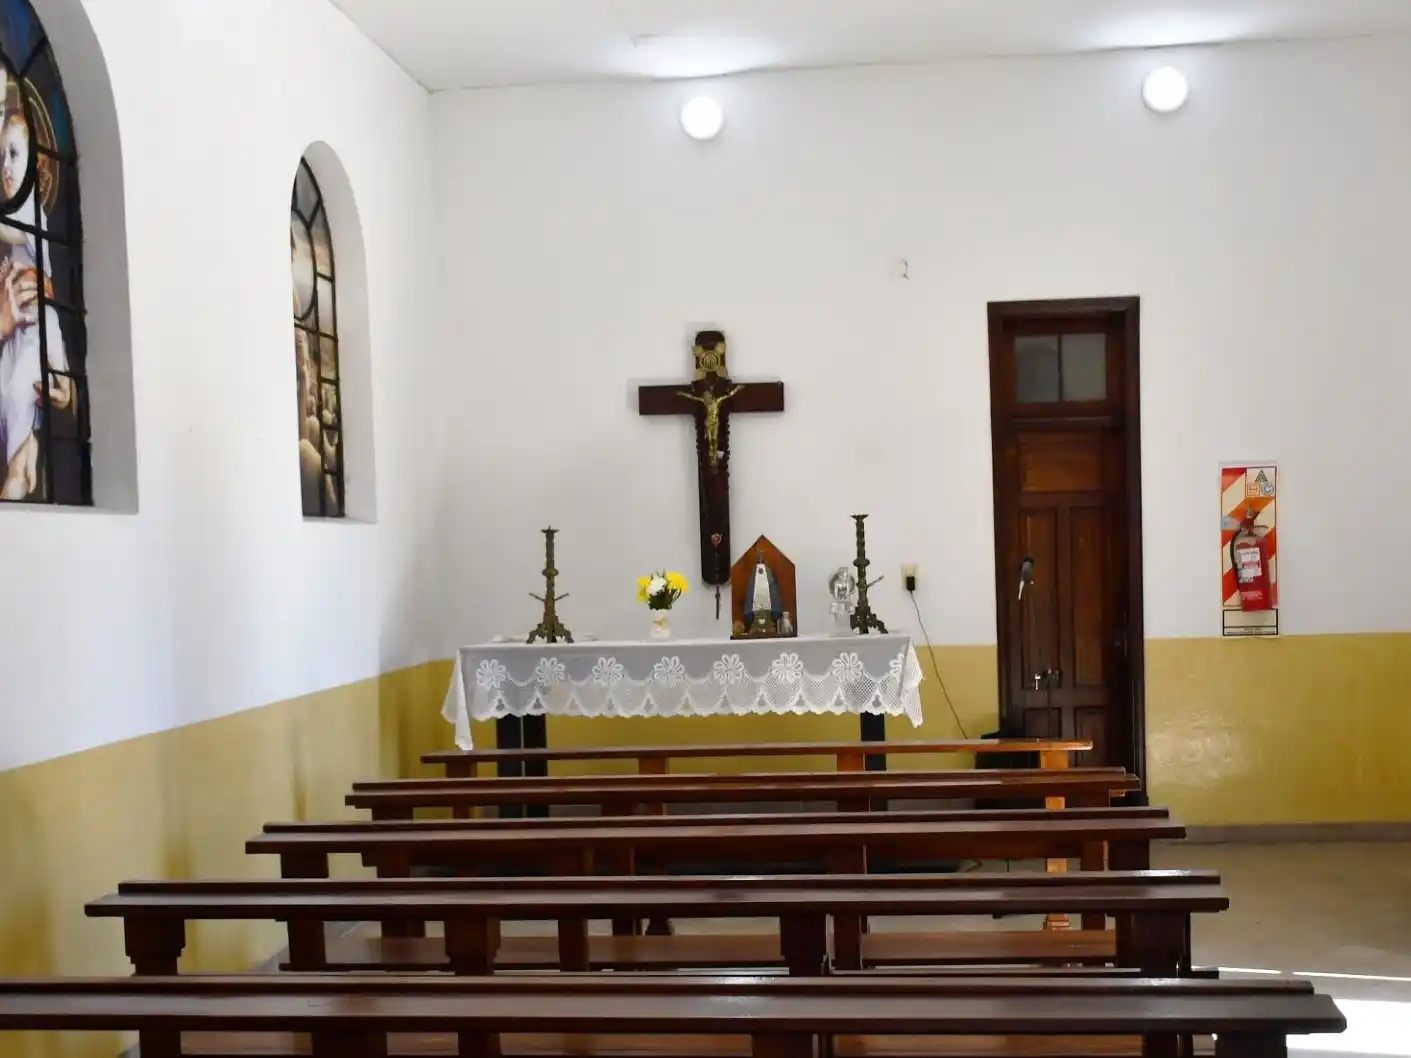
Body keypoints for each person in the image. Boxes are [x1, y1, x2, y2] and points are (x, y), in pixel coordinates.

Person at [0, 106, 68, 499]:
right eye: (1, 157)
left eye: (14, 155)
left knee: (16, 395)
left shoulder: (28, 215)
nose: (5, 167)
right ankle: (24, 473)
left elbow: (9, 231)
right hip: (19, 335)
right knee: (19, 425)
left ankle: (15, 484)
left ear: (35, 167)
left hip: (39, 332)